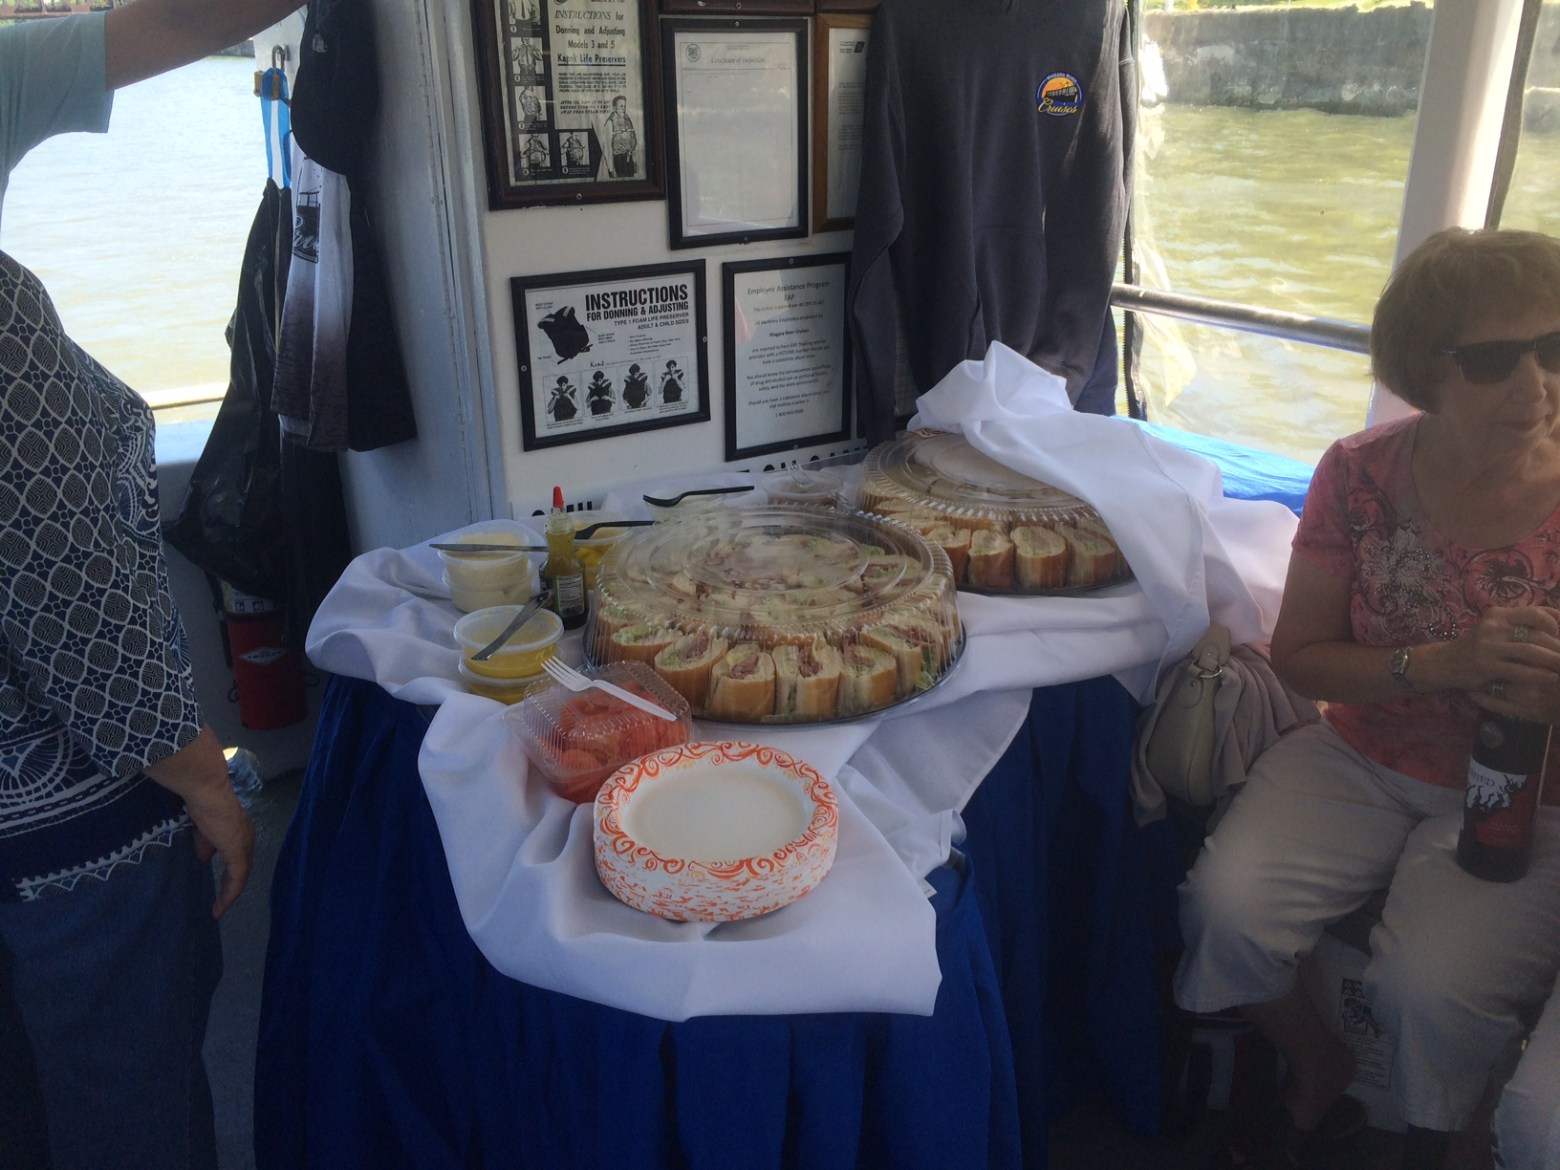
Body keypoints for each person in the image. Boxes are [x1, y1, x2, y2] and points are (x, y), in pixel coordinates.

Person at [1174, 227, 1560, 1170]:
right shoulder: (1357, 473)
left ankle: (1442, 1142)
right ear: (1429, 371)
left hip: (1528, 794)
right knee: (1222, 908)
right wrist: (1444, 664)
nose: (1537, 385)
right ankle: (1319, 1060)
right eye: (1496, 361)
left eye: (1556, 348)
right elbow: (1301, 656)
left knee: (1432, 986)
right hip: (1361, 752)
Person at [0, 2, 305, 1167]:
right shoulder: (6, 334)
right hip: (67, 837)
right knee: (132, 1119)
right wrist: (211, 788)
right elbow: (72, 607)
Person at [606, 94, 637, 179]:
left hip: (629, 157)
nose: (623, 108)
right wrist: (610, 168)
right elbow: (607, 148)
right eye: (621, 106)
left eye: (624, 106)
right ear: (615, 107)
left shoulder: (627, 120)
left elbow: (633, 137)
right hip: (618, 160)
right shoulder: (610, 122)